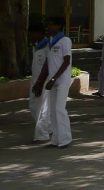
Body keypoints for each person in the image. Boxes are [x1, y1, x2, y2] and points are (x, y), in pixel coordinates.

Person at [33, 16, 72, 149]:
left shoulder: (65, 40)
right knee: (53, 111)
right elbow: (48, 63)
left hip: (62, 80)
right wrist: (41, 80)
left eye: (52, 25)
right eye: (48, 25)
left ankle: (65, 139)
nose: (49, 27)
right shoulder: (50, 41)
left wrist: (54, 78)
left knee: (60, 109)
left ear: (59, 26)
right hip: (52, 81)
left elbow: (66, 61)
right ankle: (56, 140)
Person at [28, 22, 51, 144]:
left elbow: (47, 65)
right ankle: (49, 127)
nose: (30, 36)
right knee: (33, 105)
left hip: (42, 80)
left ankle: (42, 135)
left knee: (41, 107)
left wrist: (40, 82)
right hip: (35, 79)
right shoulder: (36, 45)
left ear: (39, 33)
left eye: (32, 33)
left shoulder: (47, 45)